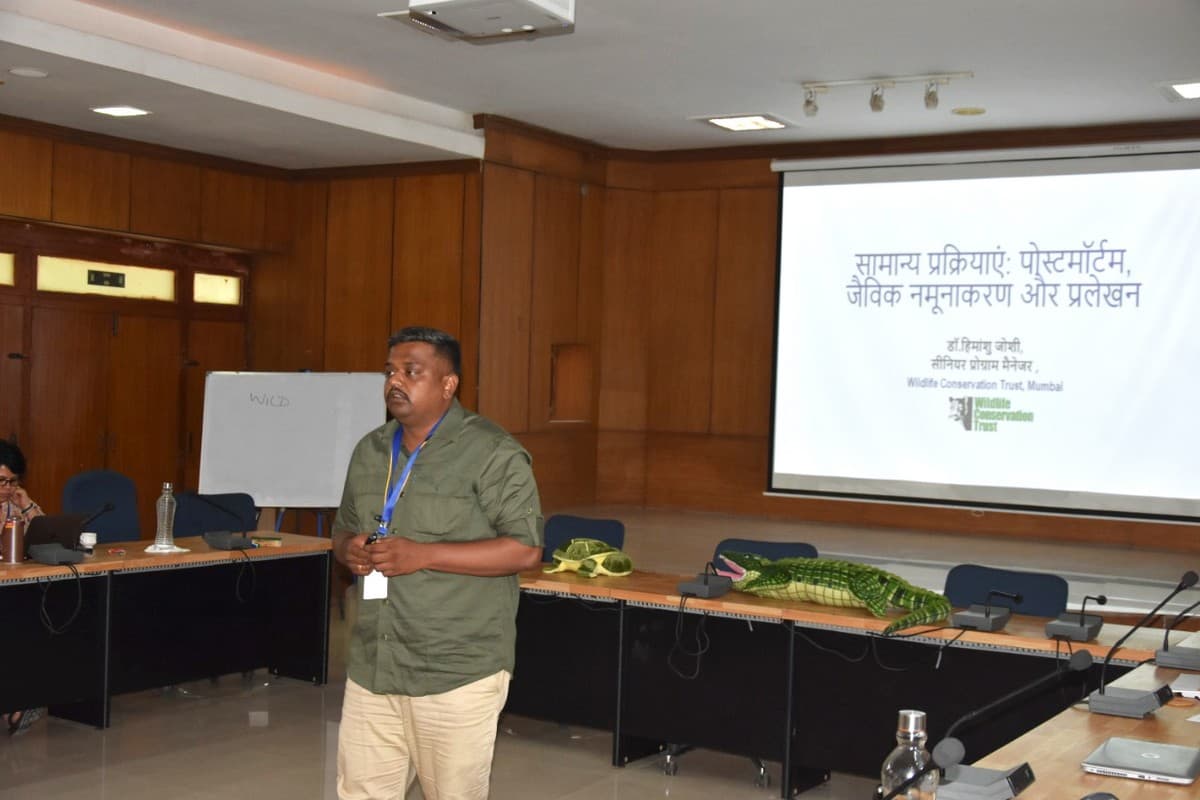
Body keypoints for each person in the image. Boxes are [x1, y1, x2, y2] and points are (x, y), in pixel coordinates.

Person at [332, 326, 543, 800]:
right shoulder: (369, 451)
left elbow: (526, 549)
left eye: (412, 371)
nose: (395, 382)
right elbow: (341, 531)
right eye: (389, 371)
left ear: (449, 384)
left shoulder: (492, 452)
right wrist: (352, 550)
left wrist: (422, 555)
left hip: (455, 671)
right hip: (375, 665)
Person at [1, 439, 46, 736]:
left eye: (12, 482)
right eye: (2, 481)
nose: (6, 488)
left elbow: (48, 534)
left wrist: (26, 504)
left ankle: (16, 705)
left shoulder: (10, 505)